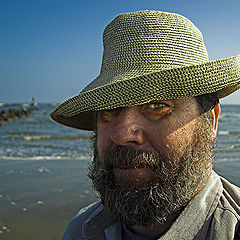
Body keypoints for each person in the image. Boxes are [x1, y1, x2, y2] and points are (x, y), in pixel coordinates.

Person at [51, 10, 240, 240]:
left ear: (211, 120)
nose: (122, 135)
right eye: (109, 109)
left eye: (158, 106)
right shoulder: (80, 230)